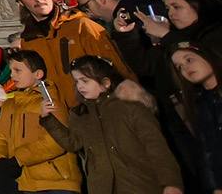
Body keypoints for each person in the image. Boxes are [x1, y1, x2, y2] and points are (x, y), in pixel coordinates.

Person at [35, 55, 182, 194]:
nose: (80, 86)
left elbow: (157, 148)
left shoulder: (130, 107)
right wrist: (48, 119)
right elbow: (73, 143)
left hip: (139, 184)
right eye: (77, 81)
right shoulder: (80, 113)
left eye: (85, 81)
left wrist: (171, 183)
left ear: (105, 83)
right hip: (102, 187)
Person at [4, 0, 133, 111]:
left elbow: (118, 71)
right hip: (70, 123)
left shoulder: (81, 26)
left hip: (106, 112)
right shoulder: (29, 42)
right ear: (20, 2)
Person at [0, 49, 82, 194]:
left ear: (38, 74)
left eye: (18, 70)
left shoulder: (49, 100)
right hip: (27, 183)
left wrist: (18, 159)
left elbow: (57, 141)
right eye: (11, 71)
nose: (12, 75)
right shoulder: (10, 105)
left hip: (56, 181)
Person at [168, 42, 222, 194]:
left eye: (189, 60)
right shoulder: (198, 105)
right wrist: (215, 187)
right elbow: (206, 152)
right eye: (179, 67)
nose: (185, 68)